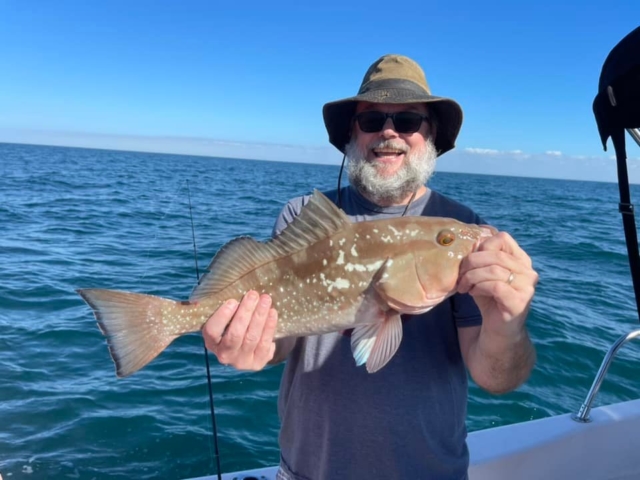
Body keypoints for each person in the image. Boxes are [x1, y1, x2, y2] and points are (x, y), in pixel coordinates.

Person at [202, 54, 538, 480]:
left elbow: (495, 378)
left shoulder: (465, 226)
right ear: (351, 135)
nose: (389, 132)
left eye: (409, 120)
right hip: (308, 470)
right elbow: (282, 341)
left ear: (431, 134)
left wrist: (507, 325)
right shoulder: (303, 214)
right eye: (372, 119)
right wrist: (250, 345)